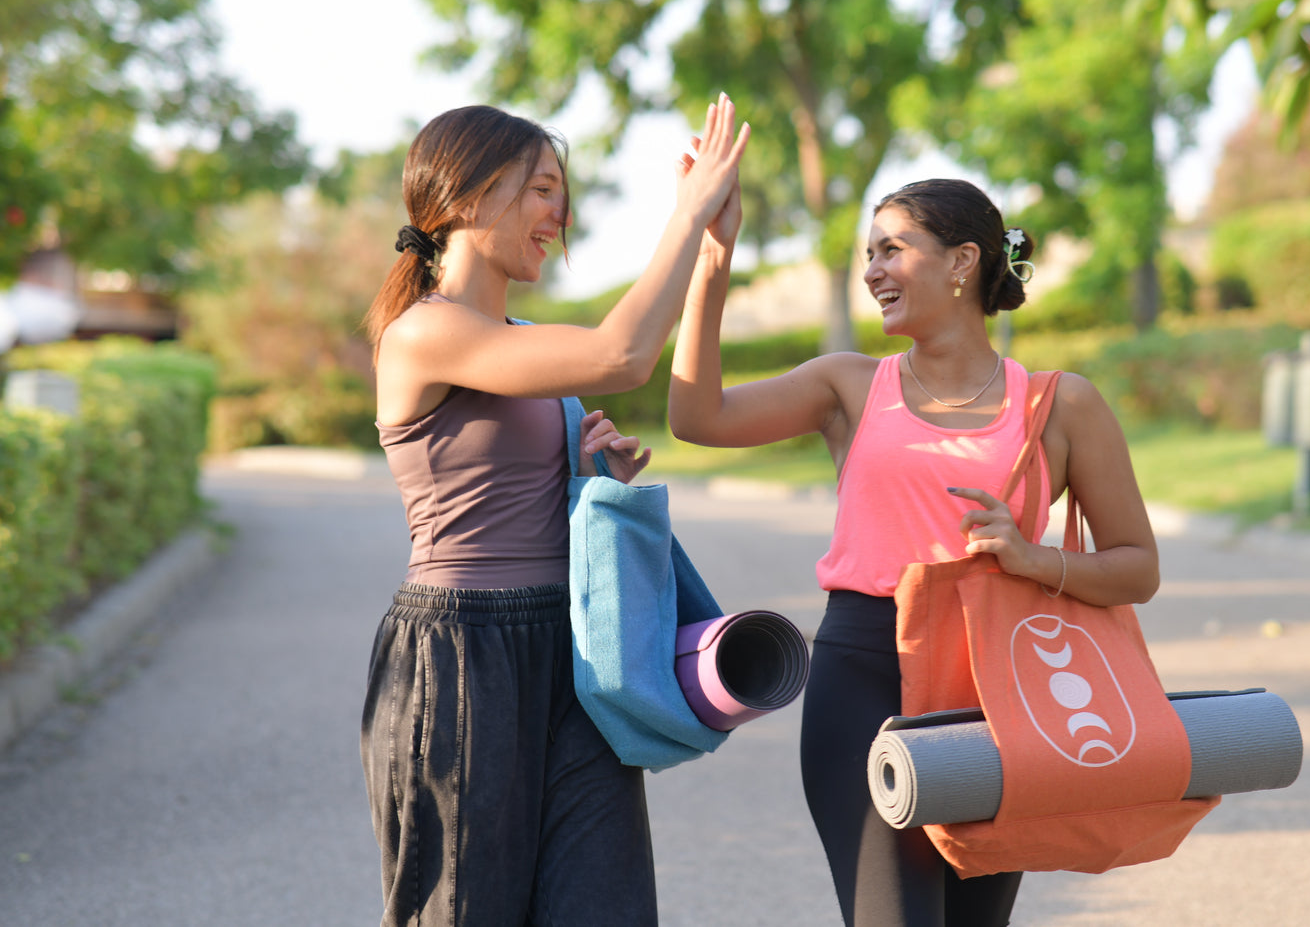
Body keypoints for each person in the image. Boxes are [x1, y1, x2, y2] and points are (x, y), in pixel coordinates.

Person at [668, 178, 1160, 927]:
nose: (871, 271)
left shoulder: (1062, 404)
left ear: (962, 261)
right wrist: (712, 257)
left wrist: (1032, 559)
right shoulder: (849, 385)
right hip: (863, 674)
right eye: (869, 254)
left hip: (1001, 689)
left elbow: (1136, 566)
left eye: (892, 249)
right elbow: (696, 416)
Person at [359, 94, 749, 927]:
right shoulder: (421, 333)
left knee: (603, 906)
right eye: (540, 188)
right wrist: (683, 213)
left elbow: (601, 384)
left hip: (568, 650)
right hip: (461, 654)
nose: (559, 212)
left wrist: (585, 476)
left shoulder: (526, 342)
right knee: (464, 909)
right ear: (466, 196)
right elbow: (621, 352)